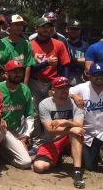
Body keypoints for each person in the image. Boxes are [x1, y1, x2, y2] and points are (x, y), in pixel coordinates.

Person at [32, 77, 86, 189]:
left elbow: (79, 124)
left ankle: (77, 172)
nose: (65, 90)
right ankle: (57, 157)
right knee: (39, 167)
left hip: (68, 139)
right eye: (61, 88)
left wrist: (66, 122)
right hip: (51, 140)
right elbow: (49, 130)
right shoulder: (44, 104)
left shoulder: (76, 103)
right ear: (53, 91)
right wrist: (71, 128)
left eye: (66, 87)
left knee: (76, 133)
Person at [69, 63, 103, 180]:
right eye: (95, 75)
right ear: (89, 76)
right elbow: (63, 90)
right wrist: (74, 96)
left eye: (102, 74)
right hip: (87, 132)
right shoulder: (82, 88)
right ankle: (99, 155)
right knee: (90, 166)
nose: (99, 77)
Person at [29, 17, 71, 154]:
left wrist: (63, 82)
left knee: (53, 112)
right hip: (35, 81)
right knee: (35, 114)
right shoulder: (30, 44)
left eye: (48, 26)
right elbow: (30, 68)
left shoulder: (58, 44)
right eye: (43, 26)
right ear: (37, 28)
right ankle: (36, 142)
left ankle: (53, 141)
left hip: (53, 83)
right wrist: (46, 63)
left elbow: (65, 64)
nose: (46, 29)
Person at [0, 60, 34, 169]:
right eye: (14, 71)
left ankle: (2, 153)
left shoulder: (25, 90)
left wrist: (26, 135)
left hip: (13, 131)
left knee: (26, 163)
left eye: (20, 71)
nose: (18, 74)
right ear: (6, 74)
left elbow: (29, 115)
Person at [2, 14, 35, 84]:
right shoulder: (1, 43)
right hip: (4, 82)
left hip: (20, 82)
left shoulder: (26, 43)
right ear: (9, 26)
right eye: (16, 24)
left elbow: (28, 65)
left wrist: (25, 85)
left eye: (21, 25)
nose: (19, 27)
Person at [66, 19, 88, 86]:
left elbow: (88, 61)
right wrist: (79, 60)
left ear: (80, 31)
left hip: (80, 75)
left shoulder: (85, 46)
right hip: (65, 74)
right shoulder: (63, 43)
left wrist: (74, 60)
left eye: (77, 29)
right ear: (67, 29)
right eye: (72, 29)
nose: (74, 31)